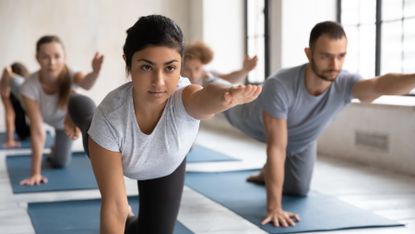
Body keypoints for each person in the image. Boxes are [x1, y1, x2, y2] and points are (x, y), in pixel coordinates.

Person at [67, 15, 261, 234]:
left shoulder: (184, 96)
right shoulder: (109, 118)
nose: (159, 82)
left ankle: (133, 223)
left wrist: (226, 96)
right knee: (87, 121)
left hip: (166, 163)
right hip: (112, 147)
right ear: (128, 62)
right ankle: (72, 100)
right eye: (146, 67)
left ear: (180, 64)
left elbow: (205, 96)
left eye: (170, 68)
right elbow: (114, 208)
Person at [224, 20, 415, 228]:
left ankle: (265, 173)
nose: (334, 66)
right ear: (309, 53)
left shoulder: (345, 83)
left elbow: (380, 84)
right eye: (325, 56)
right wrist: (274, 208)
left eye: (340, 56)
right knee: (219, 96)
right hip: (246, 116)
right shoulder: (280, 85)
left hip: (301, 142)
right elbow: (277, 148)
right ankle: (206, 78)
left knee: (299, 189)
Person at [0, 35, 104, 186]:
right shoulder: (29, 87)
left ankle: (9, 76)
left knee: (60, 163)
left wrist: (95, 72)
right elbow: (37, 130)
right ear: (37, 58)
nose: (52, 62)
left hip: (64, 124)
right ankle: (8, 74)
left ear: (64, 57)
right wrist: (35, 173)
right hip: (34, 101)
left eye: (57, 56)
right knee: (19, 85)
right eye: (45, 57)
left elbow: (87, 84)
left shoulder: (71, 73)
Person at [182, 41, 257, 86]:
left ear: (202, 65)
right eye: (187, 70)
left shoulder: (209, 76)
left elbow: (229, 78)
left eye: (197, 68)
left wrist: (245, 70)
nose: (193, 74)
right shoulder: (179, 81)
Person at [0, 62, 30, 148]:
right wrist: (10, 140)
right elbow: (9, 113)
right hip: (21, 128)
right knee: (22, 132)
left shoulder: (27, 87)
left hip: (31, 121)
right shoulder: (4, 89)